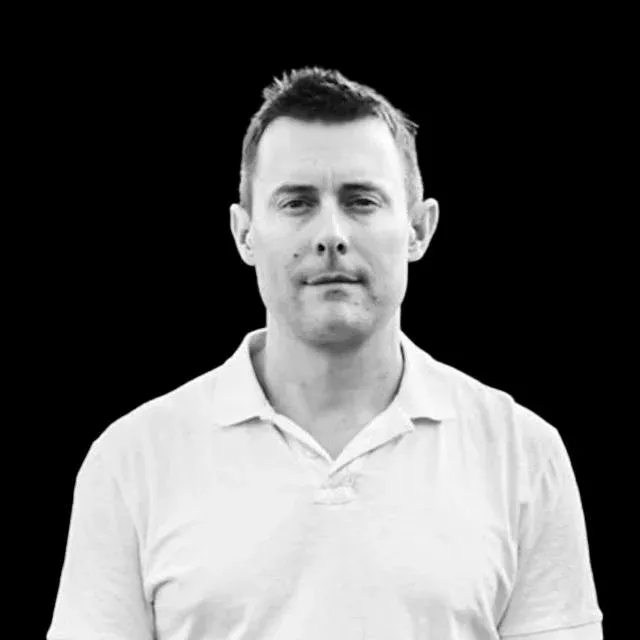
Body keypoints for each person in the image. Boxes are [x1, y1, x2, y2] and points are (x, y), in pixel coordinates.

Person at [47, 67, 604, 639]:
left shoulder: (521, 455)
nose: (331, 234)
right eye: (297, 202)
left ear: (418, 229)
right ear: (244, 233)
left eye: (361, 201)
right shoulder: (132, 461)